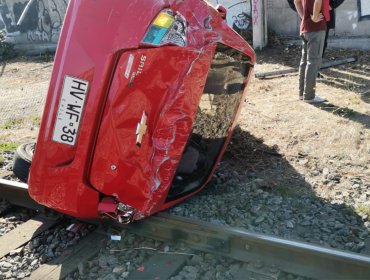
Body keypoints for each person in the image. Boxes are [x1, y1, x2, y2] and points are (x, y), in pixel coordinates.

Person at [294, 0, 330, 103]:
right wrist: (314, 17)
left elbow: (296, 1)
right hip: (316, 28)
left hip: (305, 28)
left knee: (304, 62)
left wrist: (304, 18)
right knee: (313, 62)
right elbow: (318, 1)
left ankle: (303, 94)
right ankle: (309, 96)